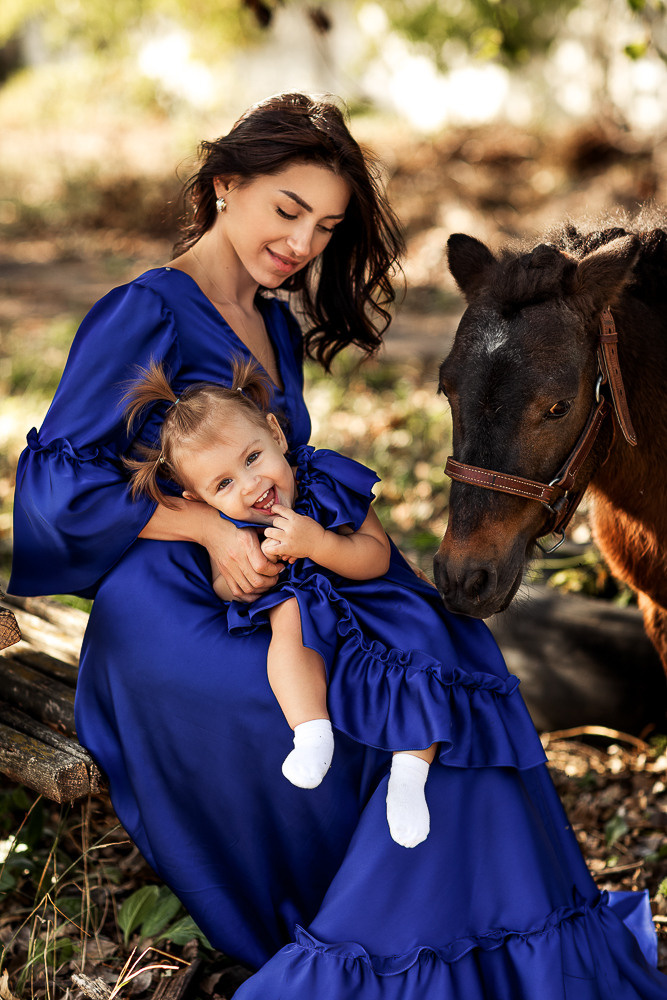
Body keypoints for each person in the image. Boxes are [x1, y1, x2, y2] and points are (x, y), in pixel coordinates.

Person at [9, 92, 667, 997]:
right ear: (223, 186)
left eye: (323, 227)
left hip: (292, 567)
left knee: (453, 664)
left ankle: (492, 946)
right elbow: (53, 484)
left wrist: (348, 547)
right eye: (287, 211)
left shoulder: (272, 318)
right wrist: (204, 523)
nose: (302, 243)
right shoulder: (143, 312)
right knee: (366, 708)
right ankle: (391, 945)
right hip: (184, 603)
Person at [122, 357, 436, 846]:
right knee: (288, 614)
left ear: (276, 434)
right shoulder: (237, 529)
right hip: (318, 617)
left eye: (252, 459)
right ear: (199, 498)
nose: (250, 486)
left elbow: (377, 557)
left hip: (381, 603)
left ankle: (411, 774)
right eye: (223, 484)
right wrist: (248, 580)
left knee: (421, 648)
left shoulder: (327, 480)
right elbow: (226, 589)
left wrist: (319, 545)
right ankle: (312, 732)